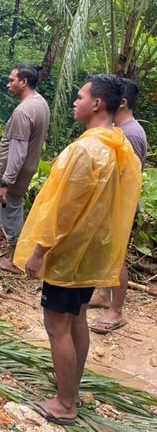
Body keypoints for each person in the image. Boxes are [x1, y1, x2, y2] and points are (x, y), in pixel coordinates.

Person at [13, 74, 142, 426]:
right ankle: (70, 385)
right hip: (90, 253)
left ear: (97, 104)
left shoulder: (87, 149)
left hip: (68, 255)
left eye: (80, 96)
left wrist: (39, 252)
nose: (75, 101)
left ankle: (65, 403)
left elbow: (65, 209)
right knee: (78, 317)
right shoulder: (118, 146)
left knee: (57, 326)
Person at [89, 77, 148, 333]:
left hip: (120, 206)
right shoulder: (119, 130)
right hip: (111, 203)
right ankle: (103, 295)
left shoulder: (131, 134)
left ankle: (116, 311)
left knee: (116, 257)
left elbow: (126, 176)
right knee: (106, 253)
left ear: (121, 102)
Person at [0, 64, 50, 273]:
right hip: (18, 170)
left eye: (11, 80)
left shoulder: (23, 111)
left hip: (14, 174)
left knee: (12, 212)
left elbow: (18, 152)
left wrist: (6, 183)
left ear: (24, 82)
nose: (8, 84)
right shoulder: (40, 103)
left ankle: (16, 260)